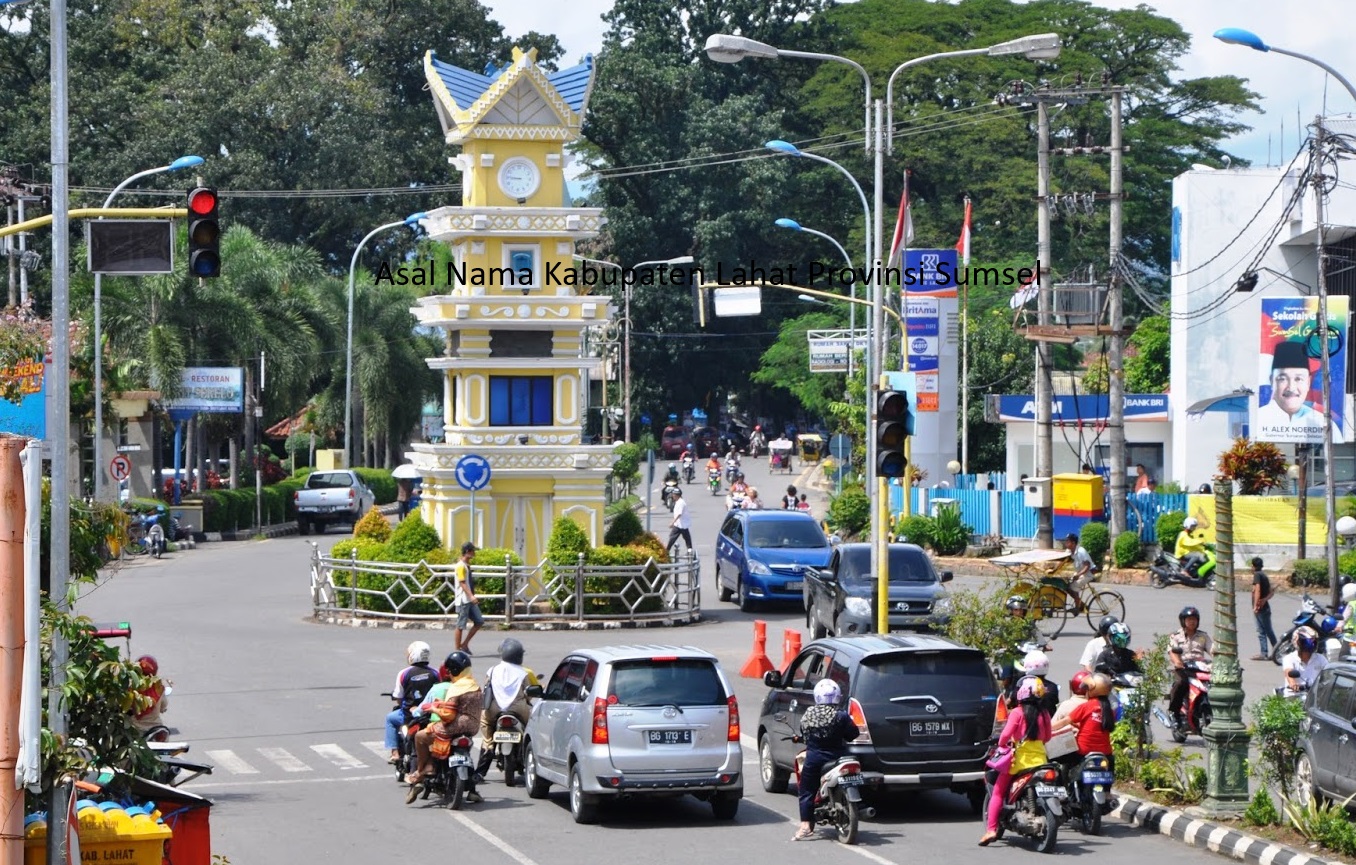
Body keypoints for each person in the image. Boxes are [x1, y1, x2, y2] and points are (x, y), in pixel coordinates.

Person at [980, 677, 1052, 846]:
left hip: (1019, 763)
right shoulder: (1045, 713)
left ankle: (991, 829)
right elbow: (1048, 737)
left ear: (1022, 693)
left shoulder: (1017, 713)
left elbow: (1004, 736)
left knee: (997, 792)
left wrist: (1002, 743)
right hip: (1041, 761)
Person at [406, 651, 484, 804]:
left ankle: (424, 769)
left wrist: (434, 709)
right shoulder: (474, 686)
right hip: (472, 727)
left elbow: (448, 715)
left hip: (455, 727)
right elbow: (463, 707)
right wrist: (439, 704)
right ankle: (472, 789)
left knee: (420, 736)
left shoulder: (456, 689)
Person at [792, 679, 859, 841]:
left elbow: (805, 735)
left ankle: (806, 826)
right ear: (837, 696)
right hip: (838, 758)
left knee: (806, 791)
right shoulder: (841, 716)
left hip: (814, 758)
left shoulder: (808, 715)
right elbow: (853, 734)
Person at [475, 639, 540, 784]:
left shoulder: (492, 670)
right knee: (533, 725)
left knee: (485, 722)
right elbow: (529, 693)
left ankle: (488, 748)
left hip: (495, 709)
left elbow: (486, 689)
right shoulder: (523, 673)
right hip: (518, 709)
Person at [385, 641, 441, 763]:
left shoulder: (404, 673)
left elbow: (399, 696)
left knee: (390, 719)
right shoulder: (435, 673)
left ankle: (395, 753)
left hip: (410, 715)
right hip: (432, 714)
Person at [1058, 673, 1116, 773]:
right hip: (1105, 753)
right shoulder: (1109, 711)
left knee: (1063, 761)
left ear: (1092, 690)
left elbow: (1064, 722)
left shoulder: (1086, 706)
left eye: (1087, 689)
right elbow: (1096, 726)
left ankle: (1067, 785)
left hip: (1083, 751)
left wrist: (1046, 728)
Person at [1257, 341, 1321, 431]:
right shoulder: (1258, 421)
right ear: (1272, 381)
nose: (1291, 388)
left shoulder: (1321, 423)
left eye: (1298, 379)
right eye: (1282, 379)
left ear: (1308, 382)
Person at [1167, 606, 1213, 730]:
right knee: (1181, 683)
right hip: (1183, 668)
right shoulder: (1176, 636)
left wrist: (1220, 658)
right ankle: (1174, 713)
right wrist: (1177, 662)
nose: (1192, 622)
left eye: (1194, 619)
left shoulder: (1203, 636)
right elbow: (1172, 651)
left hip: (1200, 667)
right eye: (1189, 619)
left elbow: (1212, 650)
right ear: (1183, 621)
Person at [453, 542, 483, 654]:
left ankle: (464, 644)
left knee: (479, 621)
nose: (474, 553)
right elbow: (462, 583)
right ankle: (457, 650)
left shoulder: (466, 565)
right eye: (472, 551)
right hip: (463, 599)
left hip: (469, 600)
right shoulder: (461, 566)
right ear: (467, 552)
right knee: (460, 625)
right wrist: (471, 596)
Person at [1282, 626, 1329, 695]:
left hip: (1314, 695)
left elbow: (1328, 673)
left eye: (1313, 641)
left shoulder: (1320, 658)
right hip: (1294, 696)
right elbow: (1288, 671)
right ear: (1298, 642)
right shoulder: (1289, 658)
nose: (1311, 644)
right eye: (1307, 642)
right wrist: (1293, 683)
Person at [131, 655, 171, 734]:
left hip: (136, 727)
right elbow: (163, 707)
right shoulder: (158, 688)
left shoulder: (132, 688)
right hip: (156, 728)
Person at [1252, 556, 1278, 661]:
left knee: (1265, 631)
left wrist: (1256, 605)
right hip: (1265, 607)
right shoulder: (1264, 576)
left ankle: (1276, 651)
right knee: (1265, 630)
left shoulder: (1257, 575)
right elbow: (1271, 592)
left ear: (1254, 566)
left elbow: (1257, 590)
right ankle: (1266, 652)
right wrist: (1265, 599)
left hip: (1261, 609)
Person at [1062, 533, 1096, 603]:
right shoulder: (1069, 551)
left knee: (1071, 587)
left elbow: (1087, 566)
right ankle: (1077, 605)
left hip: (1088, 573)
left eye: (1068, 541)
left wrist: (1078, 575)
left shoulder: (1081, 552)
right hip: (1080, 572)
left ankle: (1080, 604)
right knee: (1066, 583)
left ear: (1073, 543)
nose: (1066, 543)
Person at [667, 488, 692, 553]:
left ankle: (666, 551)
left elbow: (679, 514)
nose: (672, 496)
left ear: (677, 495)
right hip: (680, 524)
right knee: (686, 539)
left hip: (681, 525)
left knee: (672, 538)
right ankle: (690, 550)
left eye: (673, 494)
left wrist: (672, 522)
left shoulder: (681, 503)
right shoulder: (678, 502)